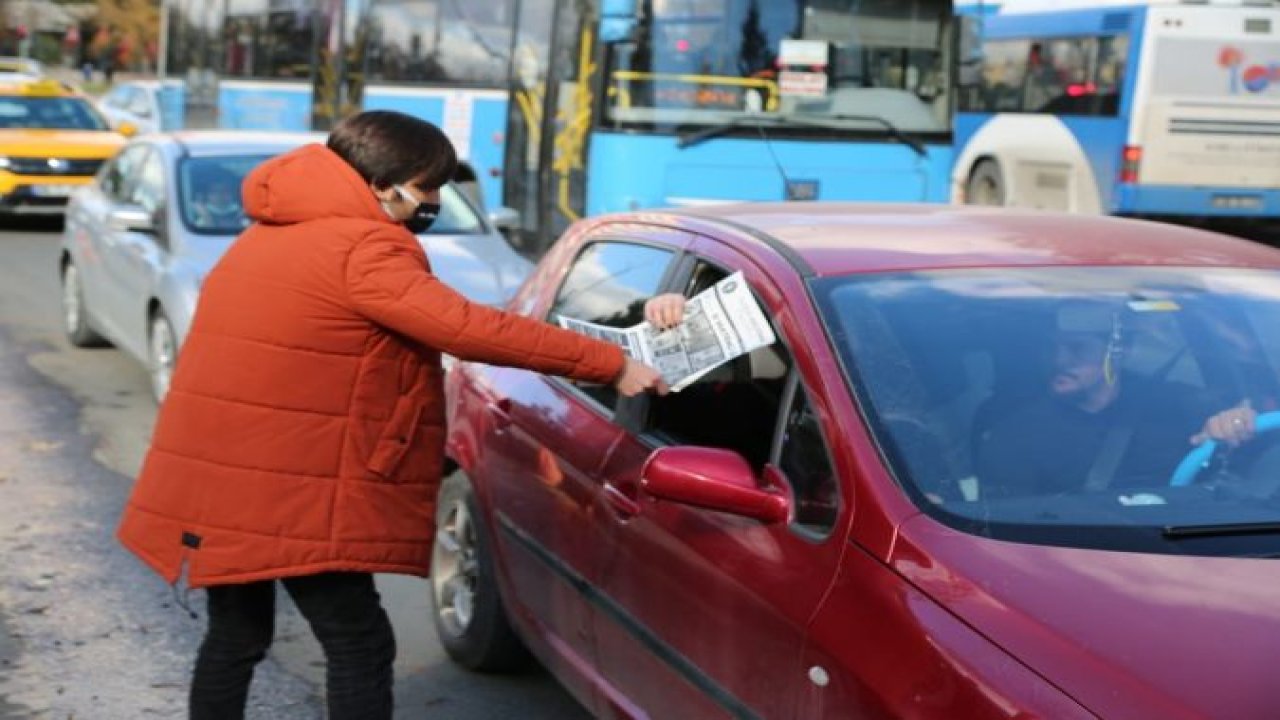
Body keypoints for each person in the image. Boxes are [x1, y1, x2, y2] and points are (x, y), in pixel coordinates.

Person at [115, 110, 667, 720]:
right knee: (359, 641)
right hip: (294, 486)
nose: (431, 200)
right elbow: (465, 327)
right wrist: (608, 362)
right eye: (427, 186)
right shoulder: (364, 245)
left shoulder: (273, 230)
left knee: (238, 636)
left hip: (226, 474)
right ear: (385, 184)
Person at [974, 301, 1253, 498]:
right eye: (1050, 348)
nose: (1059, 360)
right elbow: (1016, 528)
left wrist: (1236, 422)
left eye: (1077, 348)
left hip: (1198, 542)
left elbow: (1244, 420)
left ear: (1120, 350)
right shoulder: (1015, 430)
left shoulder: (1175, 404)